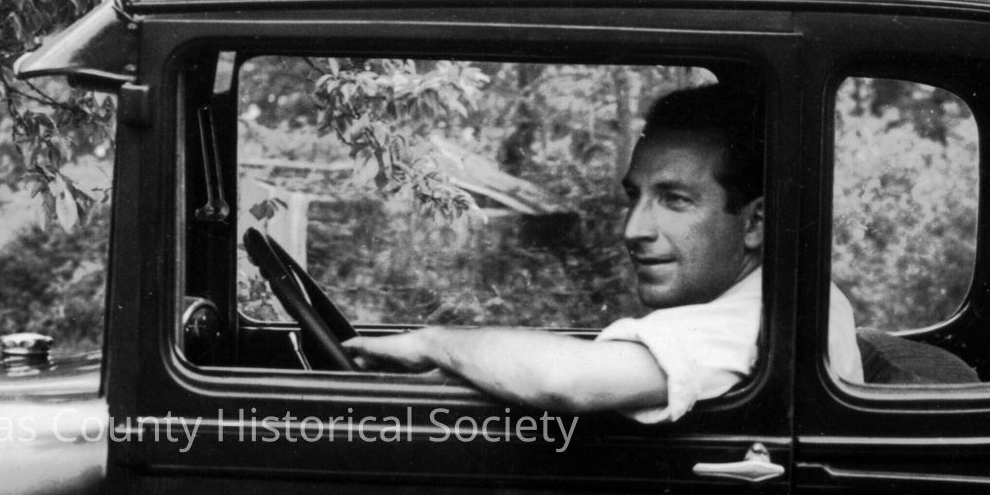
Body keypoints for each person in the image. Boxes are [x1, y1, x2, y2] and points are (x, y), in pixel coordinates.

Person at [342, 84, 864, 420]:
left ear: (755, 222)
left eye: (675, 200)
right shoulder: (789, 295)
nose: (633, 229)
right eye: (635, 197)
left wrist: (433, 342)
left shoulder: (745, 322)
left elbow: (567, 382)